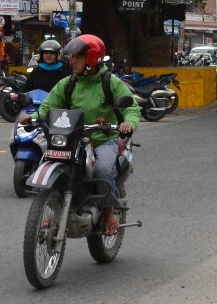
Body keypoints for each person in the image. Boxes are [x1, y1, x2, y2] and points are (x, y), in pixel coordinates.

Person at [35, 34, 141, 207]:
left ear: (91, 58)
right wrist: (33, 118)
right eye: (72, 57)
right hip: (74, 139)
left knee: (102, 171)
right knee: (50, 159)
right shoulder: (67, 83)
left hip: (103, 139)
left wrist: (128, 123)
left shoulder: (110, 82)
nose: (73, 61)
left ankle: (109, 214)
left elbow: (131, 108)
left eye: (78, 57)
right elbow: (47, 106)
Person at [19, 37, 70, 101]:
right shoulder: (36, 71)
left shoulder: (65, 71)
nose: (48, 55)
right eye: (46, 53)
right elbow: (26, 91)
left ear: (58, 54)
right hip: (37, 107)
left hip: (58, 108)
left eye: (52, 53)